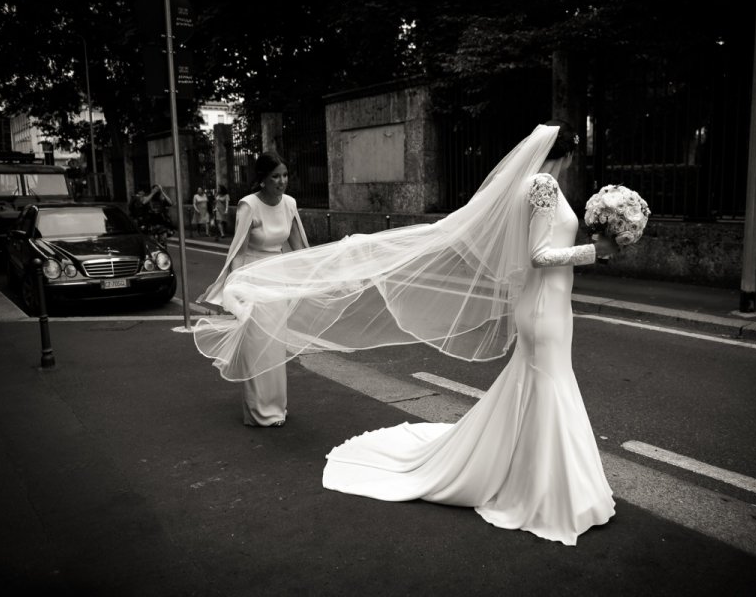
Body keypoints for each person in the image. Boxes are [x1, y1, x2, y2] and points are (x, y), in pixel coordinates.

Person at [193, 123, 620, 544]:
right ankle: (547, 487)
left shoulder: (537, 183)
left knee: (544, 383)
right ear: (565, 155)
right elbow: (540, 254)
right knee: (548, 383)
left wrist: (594, 242)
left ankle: (541, 478)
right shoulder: (543, 184)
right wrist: (594, 251)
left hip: (550, 304)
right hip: (544, 306)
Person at [198, 152, 310, 427]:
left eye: (284, 175)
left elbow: (300, 248)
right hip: (254, 278)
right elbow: (239, 251)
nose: (282, 182)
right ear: (262, 180)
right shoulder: (248, 205)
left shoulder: (290, 204)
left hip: (278, 280)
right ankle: (258, 411)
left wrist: (330, 265)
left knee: (274, 346)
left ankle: (276, 408)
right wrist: (238, 288)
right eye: (275, 177)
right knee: (256, 346)